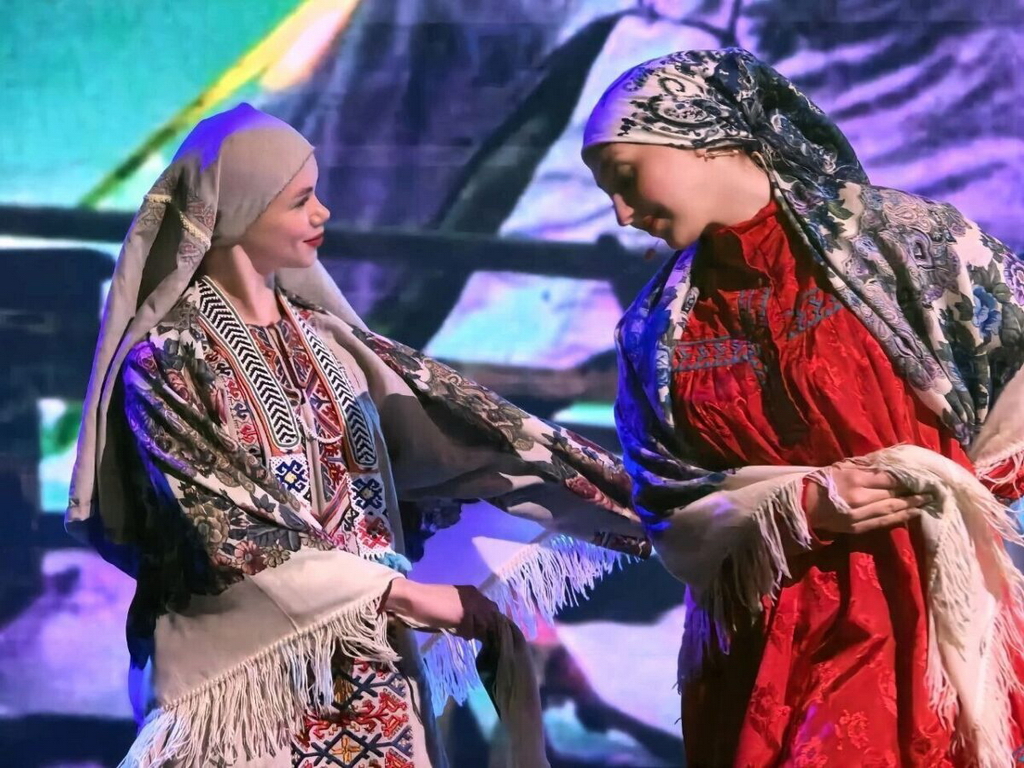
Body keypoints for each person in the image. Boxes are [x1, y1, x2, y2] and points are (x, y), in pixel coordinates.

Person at [67, 103, 649, 767]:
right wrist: (404, 593)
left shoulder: (332, 342)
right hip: (245, 688)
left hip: (372, 669)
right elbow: (226, 532)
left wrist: (641, 501)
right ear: (238, 211)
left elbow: (464, 434)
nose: (323, 213)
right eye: (301, 200)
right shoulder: (168, 360)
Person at [582, 48, 1024, 766]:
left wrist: (961, 488)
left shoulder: (900, 240)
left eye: (626, 177)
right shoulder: (654, 329)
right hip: (764, 632)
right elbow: (664, 495)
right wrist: (799, 504)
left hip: (916, 606)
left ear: (704, 137)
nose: (623, 214)